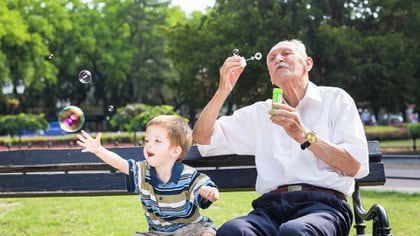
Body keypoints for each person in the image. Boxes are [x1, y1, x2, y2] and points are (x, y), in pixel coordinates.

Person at [192, 39, 369, 235]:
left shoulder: (336, 99)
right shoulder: (260, 113)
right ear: (271, 77)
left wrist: (303, 135)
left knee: (294, 231)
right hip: (271, 208)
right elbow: (201, 138)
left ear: (307, 63)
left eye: (286, 53)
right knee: (233, 231)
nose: (278, 59)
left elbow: (354, 166)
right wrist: (223, 89)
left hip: (324, 206)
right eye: (271, 58)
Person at [77, 115, 219, 236]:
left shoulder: (187, 175)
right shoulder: (142, 171)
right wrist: (99, 150)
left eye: (157, 141)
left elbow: (205, 186)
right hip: (158, 232)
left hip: (190, 229)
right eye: (147, 140)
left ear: (175, 151)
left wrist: (211, 192)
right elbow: (121, 164)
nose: (149, 145)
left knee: (206, 233)